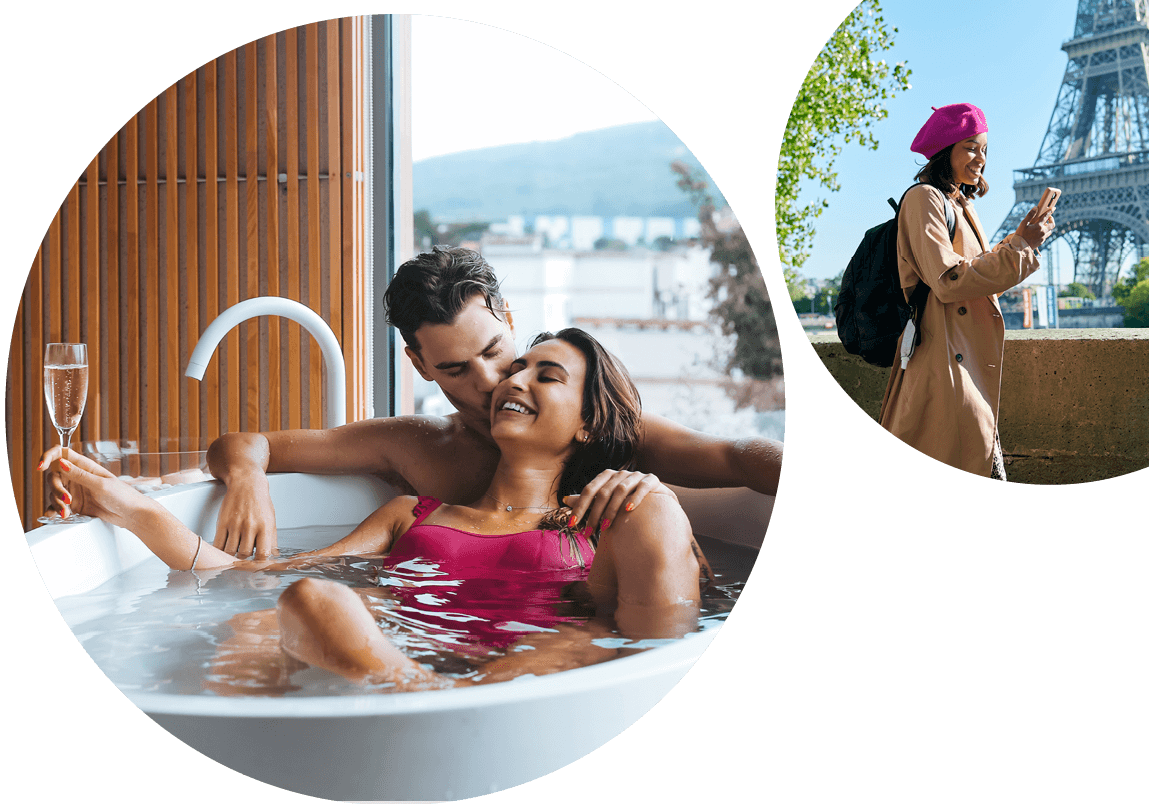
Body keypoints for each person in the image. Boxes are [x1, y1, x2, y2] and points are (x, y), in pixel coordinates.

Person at [44, 328, 702, 690]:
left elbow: (649, 649)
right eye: (518, 366)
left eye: (546, 376)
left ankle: (425, 701)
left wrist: (659, 499)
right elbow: (248, 578)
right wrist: (133, 508)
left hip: (526, 677)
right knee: (294, 603)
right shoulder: (410, 512)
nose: (514, 379)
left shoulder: (606, 519)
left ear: (587, 424)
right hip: (397, 658)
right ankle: (408, 699)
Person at [41, 246, 784, 555]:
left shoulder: (592, 428)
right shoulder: (416, 449)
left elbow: (739, 456)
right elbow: (245, 442)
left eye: (496, 351)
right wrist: (245, 479)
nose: (494, 384)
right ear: (418, 364)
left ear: (510, 319)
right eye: (458, 369)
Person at [879, 104, 1055, 479]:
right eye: (971, 148)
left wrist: (1020, 240)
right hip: (945, 360)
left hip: (964, 359)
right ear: (946, 151)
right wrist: (1019, 247)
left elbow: (976, 269)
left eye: (985, 149)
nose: (982, 158)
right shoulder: (924, 199)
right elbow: (949, 280)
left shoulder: (960, 203)